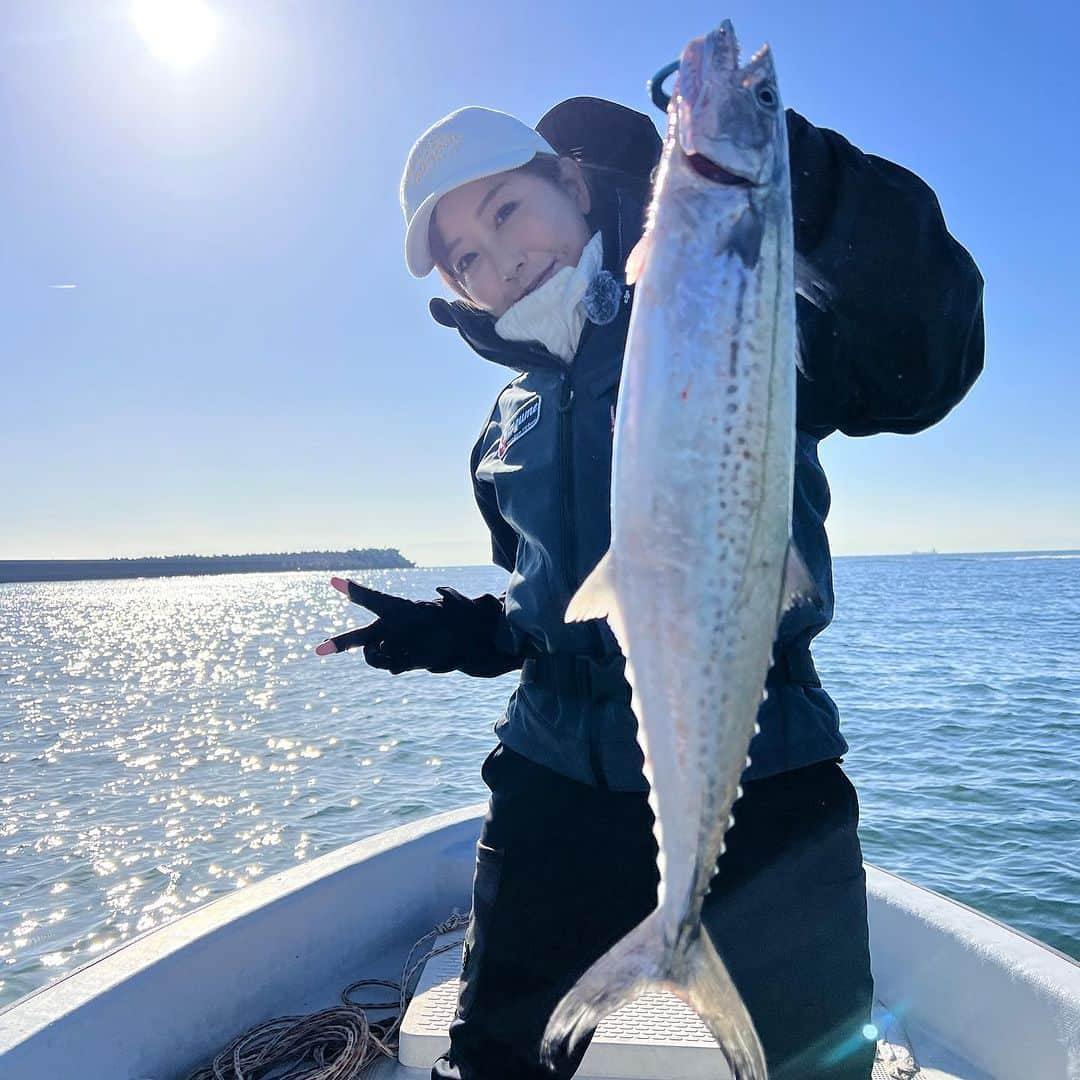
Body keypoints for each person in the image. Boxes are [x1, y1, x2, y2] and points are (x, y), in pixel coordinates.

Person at [315, 95, 984, 1079]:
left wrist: (783, 170)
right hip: (554, 776)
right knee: (494, 1060)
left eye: (506, 209)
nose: (495, 259)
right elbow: (550, 607)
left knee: (815, 1064)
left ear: (574, 183)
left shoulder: (719, 305)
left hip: (766, 765)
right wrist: (468, 634)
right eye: (462, 257)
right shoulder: (506, 424)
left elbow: (924, 357)